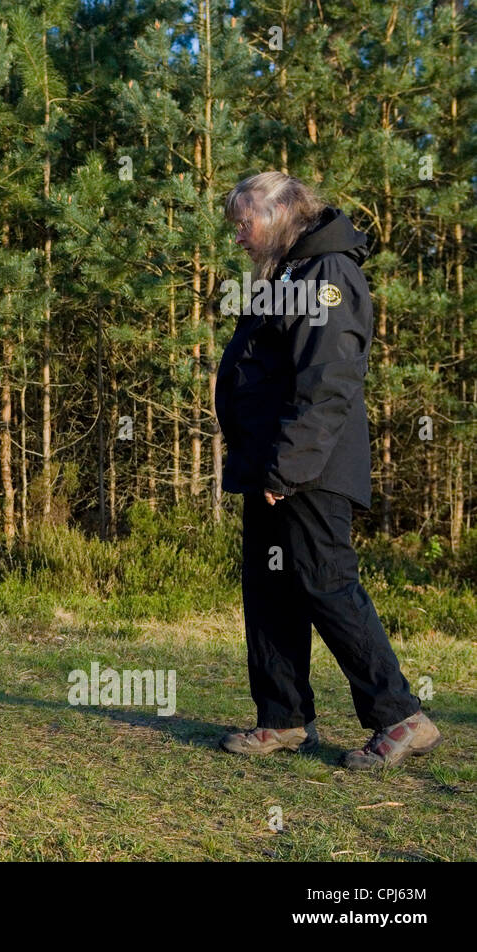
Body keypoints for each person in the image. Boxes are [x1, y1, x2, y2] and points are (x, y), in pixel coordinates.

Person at [213, 171, 441, 769]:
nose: (238, 236)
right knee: (270, 591)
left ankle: (400, 717)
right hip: (272, 463)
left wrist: (286, 469)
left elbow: (329, 385)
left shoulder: (329, 275)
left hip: (307, 467)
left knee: (325, 584)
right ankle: (283, 719)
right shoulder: (288, 272)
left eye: (245, 222)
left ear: (285, 211)